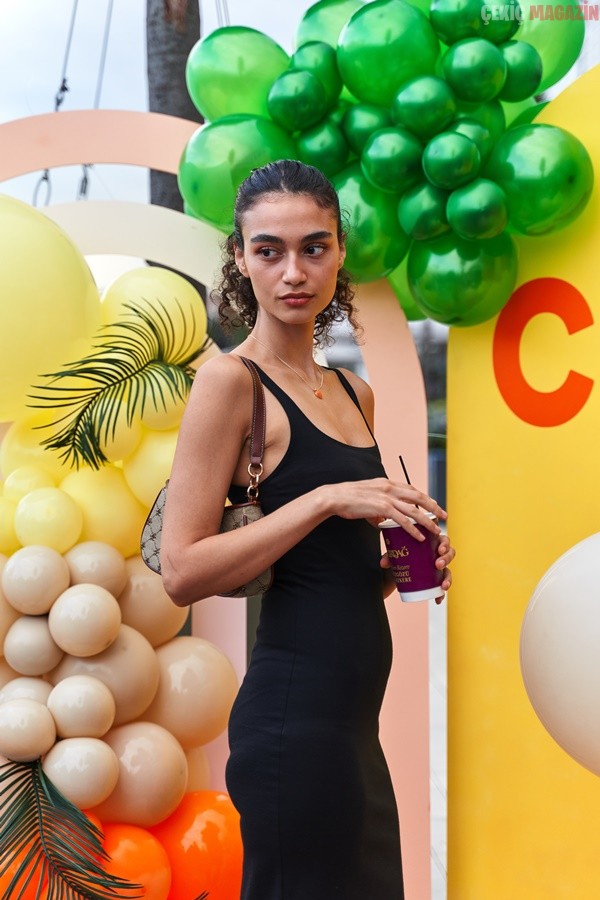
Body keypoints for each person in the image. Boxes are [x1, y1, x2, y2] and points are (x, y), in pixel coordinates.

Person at [160, 159, 455, 900]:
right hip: (293, 726)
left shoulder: (354, 391)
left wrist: (399, 567)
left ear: (339, 252)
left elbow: (325, 573)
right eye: (269, 250)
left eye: (313, 247)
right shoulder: (230, 383)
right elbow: (182, 570)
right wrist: (326, 499)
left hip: (354, 729)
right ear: (240, 258)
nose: (293, 272)